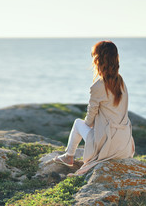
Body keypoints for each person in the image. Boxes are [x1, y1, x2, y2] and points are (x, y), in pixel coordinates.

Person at [53, 40, 135, 176]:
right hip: (124, 144)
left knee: (78, 123)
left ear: (98, 60)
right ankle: (69, 155)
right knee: (87, 126)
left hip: (108, 145)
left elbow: (90, 119)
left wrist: (93, 126)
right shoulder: (121, 82)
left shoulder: (98, 86)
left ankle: (69, 156)